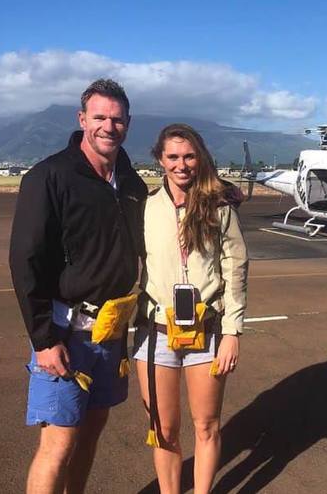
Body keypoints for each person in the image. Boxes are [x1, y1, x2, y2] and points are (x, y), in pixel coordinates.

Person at [9, 79, 147, 494]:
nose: (109, 126)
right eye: (99, 117)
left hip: (110, 334)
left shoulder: (131, 183)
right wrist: (44, 340)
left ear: (128, 123)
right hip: (65, 334)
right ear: (82, 119)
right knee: (58, 445)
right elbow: (25, 261)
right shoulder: (49, 176)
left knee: (90, 435)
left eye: (117, 119)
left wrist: (213, 193)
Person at [133, 123, 248, 494]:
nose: (181, 165)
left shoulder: (219, 206)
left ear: (200, 158)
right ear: (160, 159)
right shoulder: (146, 208)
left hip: (208, 331)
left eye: (189, 156)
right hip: (156, 333)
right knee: (163, 430)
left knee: (206, 426)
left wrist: (232, 331)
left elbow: (236, 267)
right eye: (172, 157)